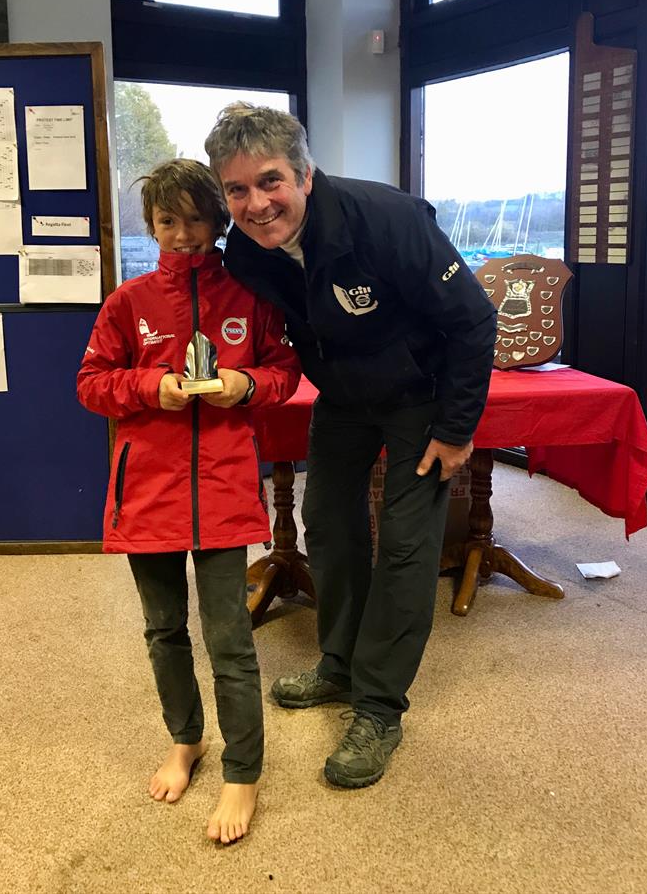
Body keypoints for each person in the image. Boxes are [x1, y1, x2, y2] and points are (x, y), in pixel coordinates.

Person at [205, 104, 497, 790]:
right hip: (342, 397)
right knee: (329, 527)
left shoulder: (386, 221)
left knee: (404, 544)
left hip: (420, 396)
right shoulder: (247, 248)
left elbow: (475, 320)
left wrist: (456, 429)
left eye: (270, 181)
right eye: (237, 190)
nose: (256, 203)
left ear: (304, 173)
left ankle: (379, 706)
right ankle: (338, 664)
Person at [77, 159, 300, 842]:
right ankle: (185, 738)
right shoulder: (128, 302)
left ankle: (243, 772)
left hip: (224, 489)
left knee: (229, 637)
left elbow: (285, 372)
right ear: (151, 225)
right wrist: (152, 388)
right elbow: (91, 383)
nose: (182, 234)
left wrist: (247, 384)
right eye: (167, 220)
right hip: (147, 491)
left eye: (196, 218)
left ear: (218, 220)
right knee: (164, 629)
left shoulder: (250, 296)